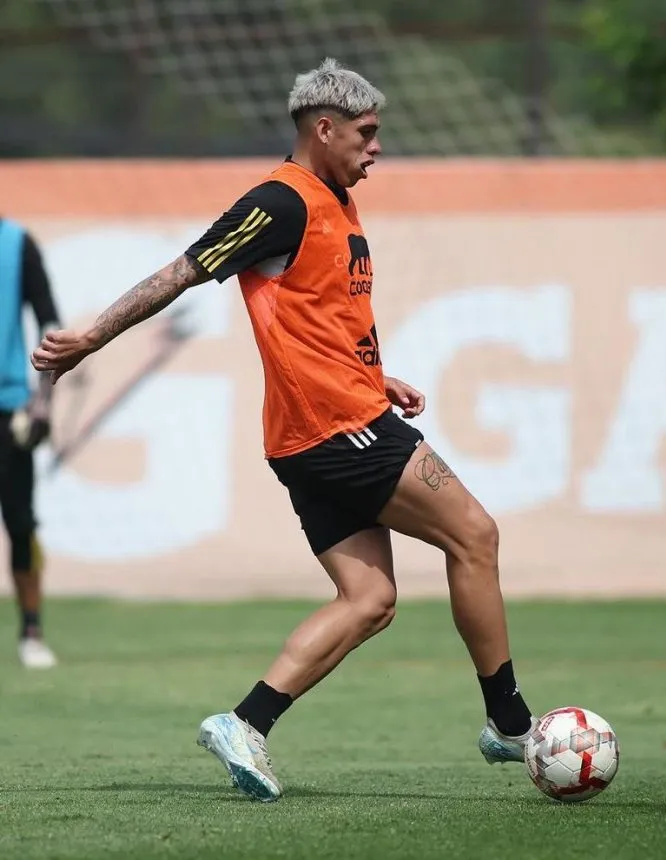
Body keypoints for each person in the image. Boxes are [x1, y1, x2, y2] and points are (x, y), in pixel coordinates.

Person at [31, 58, 537, 802]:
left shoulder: (336, 201)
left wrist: (377, 374)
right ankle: (511, 722)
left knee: (369, 601)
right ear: (322, 129)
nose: (377, 148)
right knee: (476, 535)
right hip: (337, 429)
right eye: (366, 135)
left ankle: (246, 723)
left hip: (324, 427)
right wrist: (89, 339)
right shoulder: (281, 200)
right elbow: (181, 272)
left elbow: (320, 315)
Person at [0, 216, 61, 670]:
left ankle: (32, 630)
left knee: (21, 522)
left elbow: (50, 325)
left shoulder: (17, 243)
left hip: (10, 409)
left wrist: (43, 402)